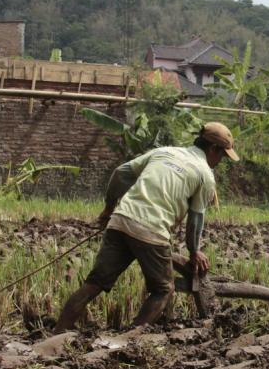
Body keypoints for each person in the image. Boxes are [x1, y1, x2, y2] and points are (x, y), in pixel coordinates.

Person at [53, 122, 239, 334]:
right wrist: (194, 250)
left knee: (94, 284)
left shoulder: (165, 151)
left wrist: (108, 209)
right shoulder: (205, 174)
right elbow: (195, 221)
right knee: (164, 289)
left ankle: (58, 332)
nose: (219, 162)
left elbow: (120, 173)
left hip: (121, 219)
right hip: (152, 229)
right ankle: (128, 338)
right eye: (222, 156)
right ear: (213, 149)